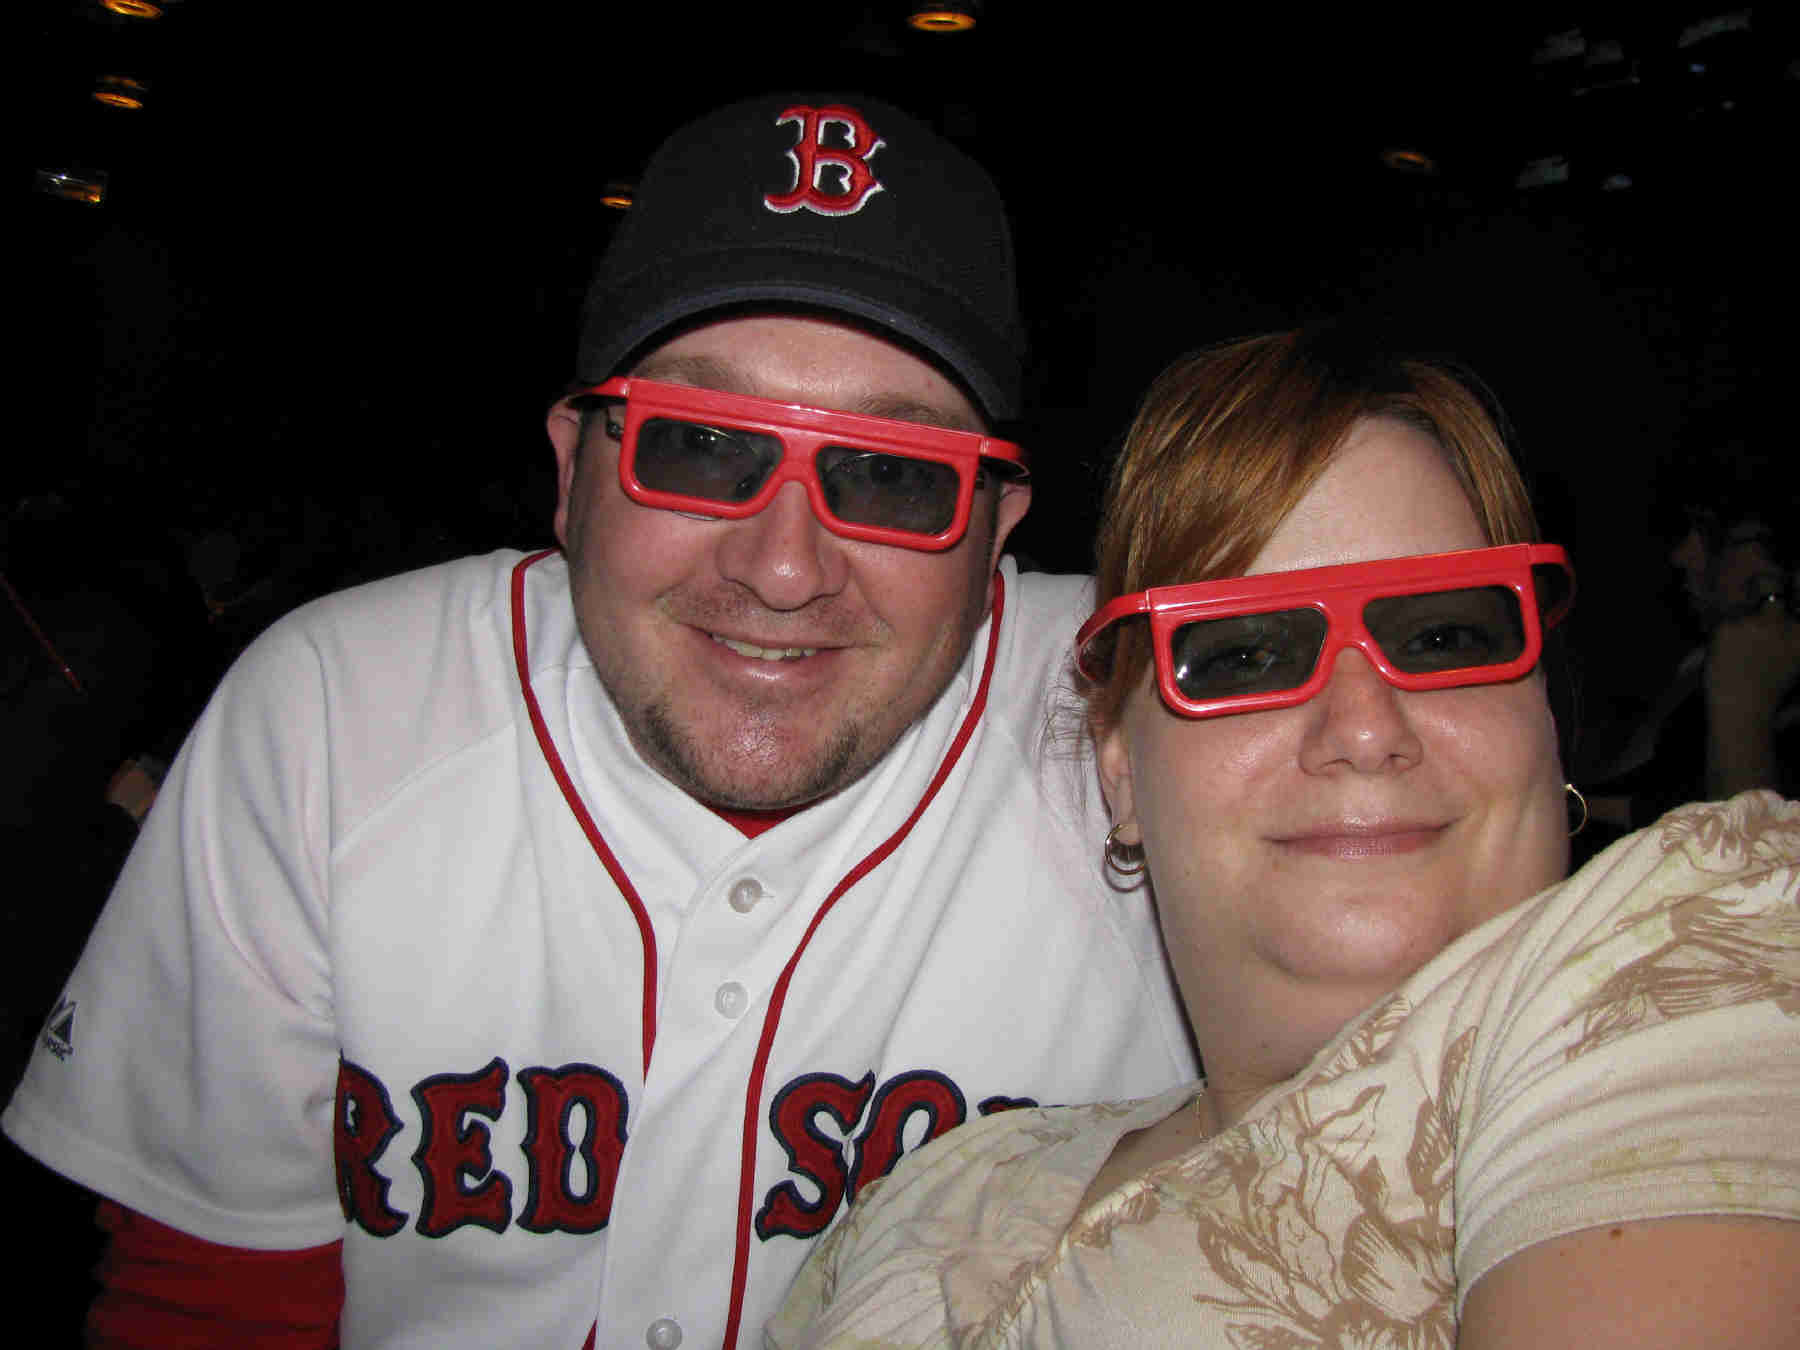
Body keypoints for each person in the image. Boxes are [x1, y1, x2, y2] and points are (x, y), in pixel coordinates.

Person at [3, 94, 1198, 1349]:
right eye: (698, 447)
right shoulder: (333, 720)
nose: (783, 567)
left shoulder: (1173, 719)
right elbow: (209, 1307)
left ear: (999, 530)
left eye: (891, 474)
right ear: (575, 470)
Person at [769, 329, 1800, 1347]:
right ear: (1119, 767)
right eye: (1243, 652)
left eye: (1444, 635)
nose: (1363, 729)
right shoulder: (944, 1188)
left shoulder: (1701, 988)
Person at [1586, 431, 1800, 836]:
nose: (1683, 556)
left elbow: (1743, 865)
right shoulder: (1693, 662)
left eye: (1712, 534)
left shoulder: (1754, 676)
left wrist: (1742, 706)